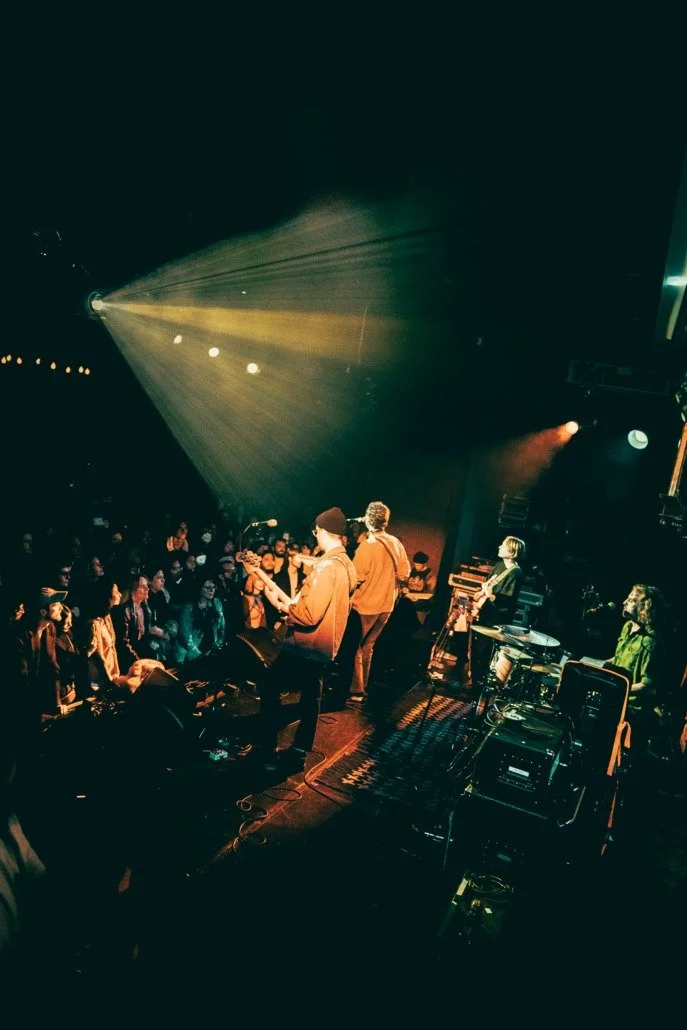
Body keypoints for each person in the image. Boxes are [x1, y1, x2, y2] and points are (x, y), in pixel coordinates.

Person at [251, 506, 356, 773]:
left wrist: (286, 608)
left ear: (323, 531)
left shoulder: (328, 568)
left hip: (305, 645)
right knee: (311, 696)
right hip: (324, 645)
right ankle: (299, 751)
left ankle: (266, 749)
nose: (315, 536)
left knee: (270, 685)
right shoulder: (346, 564)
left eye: (316, 531)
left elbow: (309, 614)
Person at [345, 501, 411, 704]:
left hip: (365, 605)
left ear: (367, 520)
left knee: (355, 647)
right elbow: (405, 572)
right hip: (387, 606)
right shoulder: (395, 543)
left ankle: (356, 690)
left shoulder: (368, 546)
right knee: (369, 646)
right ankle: (362, 687)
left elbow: (356, 578)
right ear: (386, 521)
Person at [609, 583, 667, 755]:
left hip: (632, 710)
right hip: (615, 699)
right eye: (628, 598)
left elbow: (647, 686)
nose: (625, 602)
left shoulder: (651, 641)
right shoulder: (627, 626)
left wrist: (618, 689)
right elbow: (618, 658)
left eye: (632, 600)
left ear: (645, 608)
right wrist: (594, 665)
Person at [468, 535, 526, 689]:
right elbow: (489, 584)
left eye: (503, 545)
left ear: (512, 551)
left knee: (485, 650)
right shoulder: (499, 565)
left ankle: (479, 687)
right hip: (486, 611)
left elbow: (506, 600)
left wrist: (490, 595)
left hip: (497, 617)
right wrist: (481, 593)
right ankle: (473, 682)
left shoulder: (515, 572)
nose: (499, 547)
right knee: (476, 648)